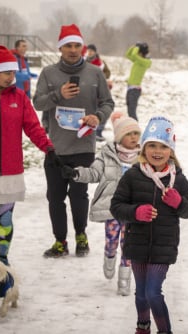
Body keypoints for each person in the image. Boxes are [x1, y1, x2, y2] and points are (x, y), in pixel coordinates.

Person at [0, 45, 58, 290]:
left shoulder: (19, 98)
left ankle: (2, 261)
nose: (10, 77)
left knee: (5, 218)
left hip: (10, 171)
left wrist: (48, 148)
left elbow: (33, 127)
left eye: (12, 72)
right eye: (5, 71)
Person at [110, 116, 188, 334]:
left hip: (163, 246)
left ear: (171, 151)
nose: (157, 151)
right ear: (144, 148)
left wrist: (179, 202)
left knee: (152, 292)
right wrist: (136, 212)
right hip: (137, 244)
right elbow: (116, 206)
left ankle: (164, 331)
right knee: (141, 293)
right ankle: (143, 327)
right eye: (152, 145)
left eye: (163, 146)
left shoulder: (177, 179)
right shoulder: (132, 176)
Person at [33, 24, 115, 258]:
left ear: (83, 47)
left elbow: (108, 103)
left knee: (79, 195)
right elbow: (37, 103)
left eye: (77, 45)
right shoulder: (49, 73)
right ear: (60, 48)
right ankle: (60, 241)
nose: (72, 49)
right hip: (56, 147)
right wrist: (58, 95)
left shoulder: (94, 73)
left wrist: (97, 117)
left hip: (83, 145)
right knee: (55, 197)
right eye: (68, 45)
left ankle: (81, 236)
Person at [61, 112, 141, 295]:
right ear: (120, 136)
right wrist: (76, 173)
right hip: (111, 208)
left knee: (128, 246)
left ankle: (124, 281)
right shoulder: (107, 154)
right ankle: (109, 256)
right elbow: (94, 173)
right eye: (129, 134)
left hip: (133, 210)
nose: (134, 137)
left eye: (136, 133)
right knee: (112, 242)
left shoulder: (144, 156)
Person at [85, 43, 113, 141]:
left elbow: (108, 73)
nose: (89, 52)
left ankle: (98, 132)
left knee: (101, 111)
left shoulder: (101, 63)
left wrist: (101, 79)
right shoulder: (83, 61)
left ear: (95, 52)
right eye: (88, 50)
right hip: (87, 90)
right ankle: (88, 131)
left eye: (91, 51)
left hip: (99, 90)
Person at [125, 42, 151, 121]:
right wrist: (134, 46)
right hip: (130, 88)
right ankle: (133, 128)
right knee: (129, 110)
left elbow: (133, 55)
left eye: (138, 52)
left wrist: (137, 47)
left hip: (135, 90)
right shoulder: (138, 61)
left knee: (132, 111)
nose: (137, 54)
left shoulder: (145, 62)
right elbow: (128, 55)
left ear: (141, 53)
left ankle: (135, 128)